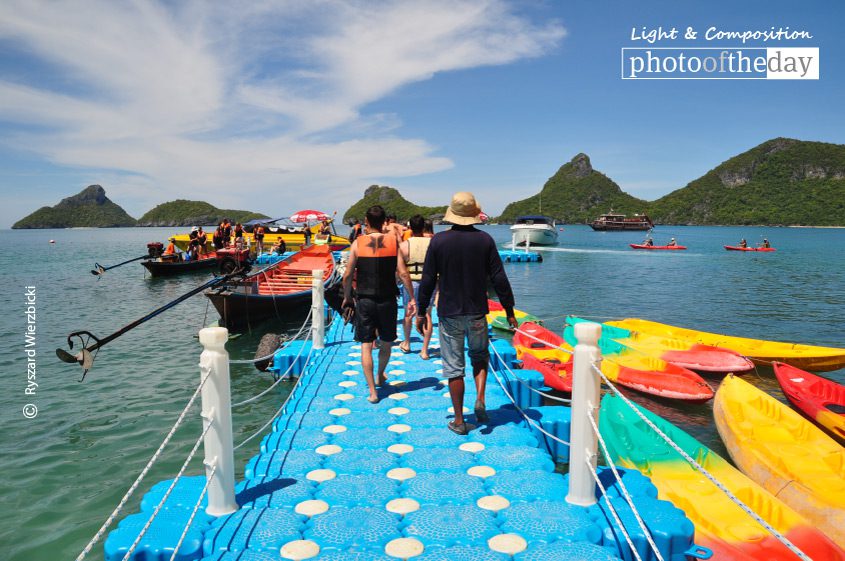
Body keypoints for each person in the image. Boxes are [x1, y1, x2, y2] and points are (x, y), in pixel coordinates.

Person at [417, 192, 517, 435]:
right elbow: (499, 278)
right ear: (473, 214)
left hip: (449, 313)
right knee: (479, 356)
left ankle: (460, 421)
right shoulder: (485, 240)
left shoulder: (439, 241)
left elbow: (428, 279)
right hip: (476, 312)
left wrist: (421, 311)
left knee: (454, 368)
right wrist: (509, 310)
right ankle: (480, 398)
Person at [343, 205, 416, 404]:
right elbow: (403, 273)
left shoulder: (358, 243)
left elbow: (348, 274)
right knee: (386, 342)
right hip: (387, 300)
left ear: (366, 221)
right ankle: (380, 375)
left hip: (365, 300)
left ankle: (372, 392)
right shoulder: (393, 242)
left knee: (366, 345)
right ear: (385, 222)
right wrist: (412, 298)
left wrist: (347, 297)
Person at [399, 215, 433, 358]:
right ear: (423, 227)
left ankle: (407, 343)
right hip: (429, 281)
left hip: (411, 282)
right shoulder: (432, 243)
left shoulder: (404, 245)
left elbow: (401, 272)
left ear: (410, 228)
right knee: (427, 314)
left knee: (409, 312)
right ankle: (424, 350)